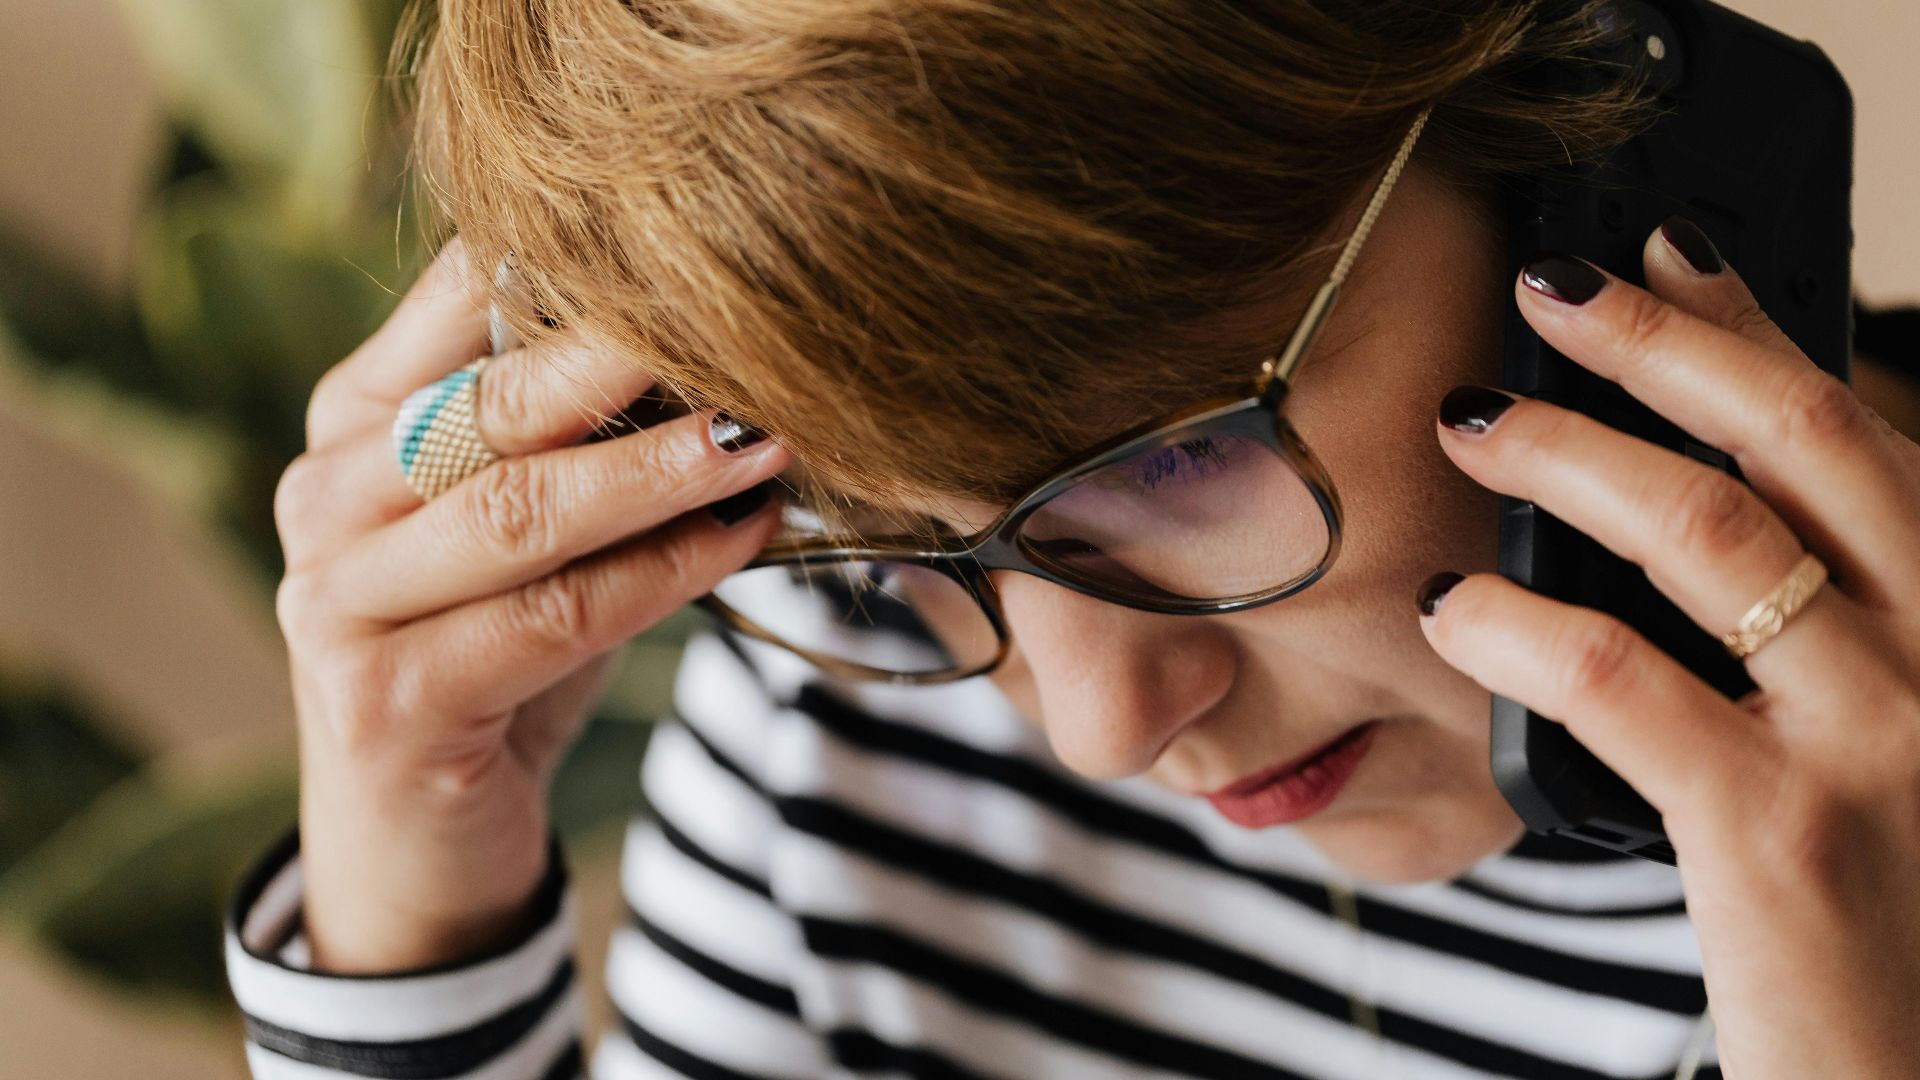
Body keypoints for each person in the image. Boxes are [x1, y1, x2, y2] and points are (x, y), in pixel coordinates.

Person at [227, 0, 1920, 1077]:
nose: (1104, 728)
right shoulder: (869, 700)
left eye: (1178, 461)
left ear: (1594, 140)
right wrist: (408, 914)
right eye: (890, 530)